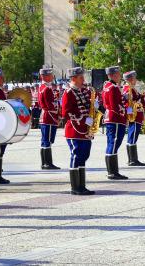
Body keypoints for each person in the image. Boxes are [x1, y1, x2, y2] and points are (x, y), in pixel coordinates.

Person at [61, 67, 95, 195]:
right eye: (81, 77)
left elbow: (87, 106)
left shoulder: (83, 91)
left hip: (85, 128)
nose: (83, 80)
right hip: (74, 129)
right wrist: (81, 117)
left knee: (84, 155)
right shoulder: (68, 92)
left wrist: (93, 105)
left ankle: (82, 185)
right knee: (76, 155)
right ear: (73, 78)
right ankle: (75, 187)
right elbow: (65, 112)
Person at [102, 66, 129, 180]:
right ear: (112, 75)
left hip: (113, 118)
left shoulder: (108, 86)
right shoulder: (112, 88)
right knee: (113, 144)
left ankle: (113, 171)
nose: (119, 76)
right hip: (116, 118)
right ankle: (112, 172)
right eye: (118, 74)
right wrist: (125, 114)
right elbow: (114, 106)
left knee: (112, 144)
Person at [122, 71, 145, 166]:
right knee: (132, 136)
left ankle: (133, 159)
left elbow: (136, 98)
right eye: (134, 78)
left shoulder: (132, 88)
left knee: (133, 137)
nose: (136, 80)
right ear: (130, 79)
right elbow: (128, 102)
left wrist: (143, 97)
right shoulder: (127, 88)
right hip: (134, 116)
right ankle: (132, 160)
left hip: (137, 115)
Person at [38, 66, 61, 170]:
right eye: (50, 75)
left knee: (44, 140)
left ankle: (45, 162)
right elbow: (50, 105)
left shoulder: (42, 87)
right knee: (47, 141)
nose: (52, 76)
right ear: (45, 77)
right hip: (49, 117)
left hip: (45, 116)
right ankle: (47, 163)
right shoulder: (46, 89)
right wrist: (57, 117)